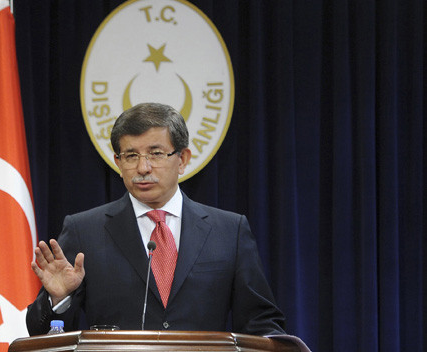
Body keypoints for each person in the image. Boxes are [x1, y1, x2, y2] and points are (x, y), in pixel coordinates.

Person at [26, 102, 285, 336]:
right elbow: (42, 334)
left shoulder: (229, 231)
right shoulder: (85, 230)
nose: (143, 168)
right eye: (131, 156)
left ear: (182, 159)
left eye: (156, 153)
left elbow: (260, 322)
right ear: (118, 162)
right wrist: (59, 298)